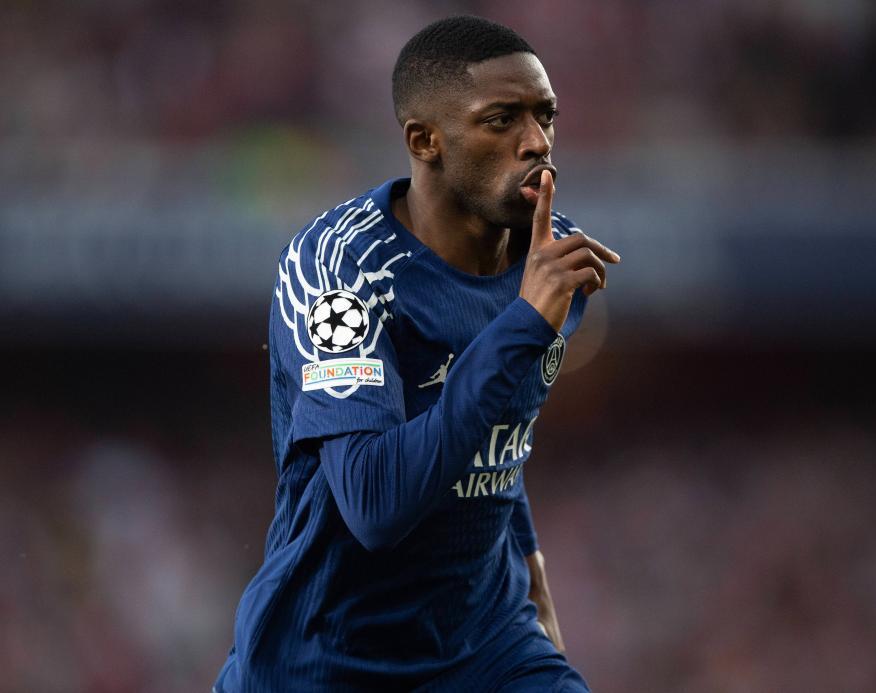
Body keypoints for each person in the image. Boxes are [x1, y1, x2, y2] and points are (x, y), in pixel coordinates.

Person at [214, 15, 619, 692]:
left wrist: (532, 570)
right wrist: (522, 324)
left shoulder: (547, 261)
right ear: (424, 141)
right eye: (502, 120)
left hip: (484, 644)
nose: (537, 142)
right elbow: (375, 505)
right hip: (326, 656)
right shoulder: (339, 274)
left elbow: (493, 427)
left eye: (545, 115)